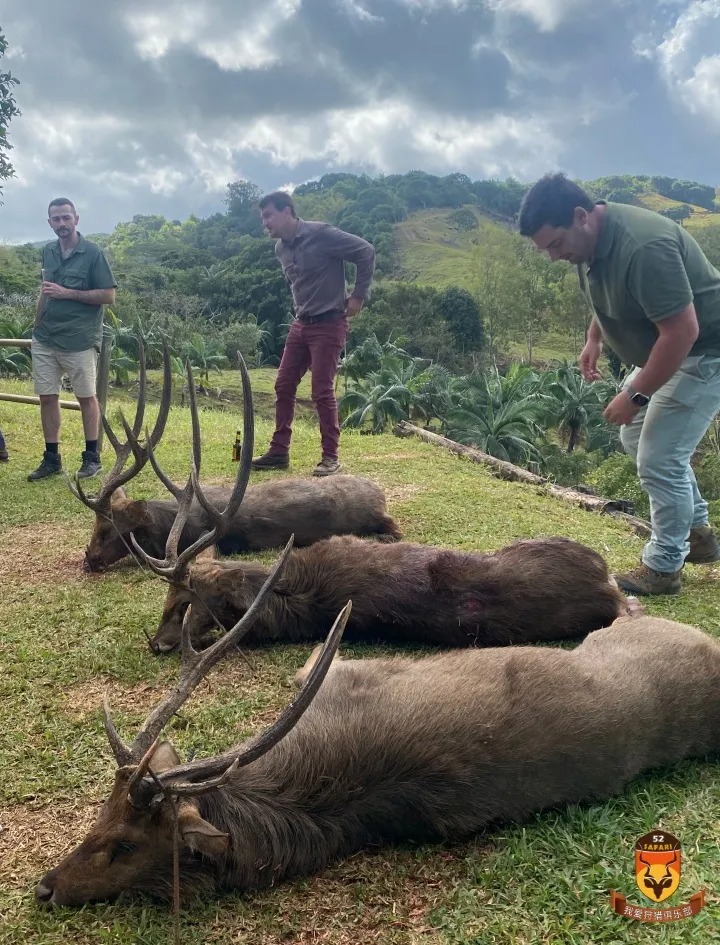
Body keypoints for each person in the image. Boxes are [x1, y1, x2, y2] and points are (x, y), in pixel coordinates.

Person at [519, 173, 720, 596]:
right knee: (634, 438)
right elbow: (611, 292)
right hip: (666, 352)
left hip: (704, 353)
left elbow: (682, 331)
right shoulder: (591, 243)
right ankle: (697, 532)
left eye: (555, 244)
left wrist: (636, 393)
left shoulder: (644, 247)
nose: (554, 256)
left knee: (660, 458)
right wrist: (594, 337)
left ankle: (665, 567)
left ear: (580, 216)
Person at [251, 191, 376, 477]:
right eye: (263, 218)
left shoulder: (321, 234)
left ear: (287, 211)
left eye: (269, 215)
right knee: (283, 385)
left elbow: (365, 252)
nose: (265, 223)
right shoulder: (280, 249)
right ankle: (279, 452)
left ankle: (330, 457)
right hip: (301, 324)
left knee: (321, 391)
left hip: (330, 323)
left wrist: (358, 296)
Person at [29, 198, 117, 481]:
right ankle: (51, 457)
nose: (62, 224)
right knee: (46, 397)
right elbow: (45, 290)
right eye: (56, 219)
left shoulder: (93, 254)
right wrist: (36, 323)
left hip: (79, 339)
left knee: (86, 398)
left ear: (76, 219)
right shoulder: (48, 252)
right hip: (46, 337)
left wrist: (68, 293)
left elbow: (108, 295)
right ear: (50, 222)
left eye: (66, 218)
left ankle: (92, 457)